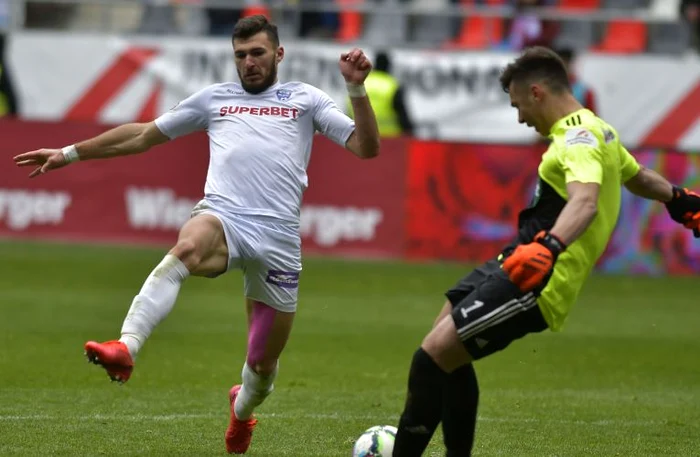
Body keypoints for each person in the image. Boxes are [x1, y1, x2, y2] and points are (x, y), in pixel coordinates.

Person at [13, 15, 379, 455]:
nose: (249, 63)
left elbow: (366, 147)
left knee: (262, 367)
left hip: (279, 239)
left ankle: (242, 410)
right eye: (241, 55)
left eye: (258, 53)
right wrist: (69, 153)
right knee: (186, 247)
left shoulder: (306, 99)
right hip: (225, 218)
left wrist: (356, 89)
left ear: (279, 54)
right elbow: (143, 136)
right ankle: (125, 347)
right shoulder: (215, 100)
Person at [391, 46, 700, 457]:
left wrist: (550, 248)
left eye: (518, 105)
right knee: (444, 338)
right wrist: (678, 198)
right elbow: (637, 174)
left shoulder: (578, 137)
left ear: (537, 92)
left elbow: (585, 202)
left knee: (430, 359)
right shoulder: (597, 130)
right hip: (517, 256)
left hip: (536, 276)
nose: (520, 117)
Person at [346, 50, 414, 137]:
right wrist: (410, 132)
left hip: (362, 137)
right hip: (389, 138)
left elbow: (349, 108)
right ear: (389, 67)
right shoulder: (392, 85)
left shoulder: (361, 83)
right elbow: (403, 115)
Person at [556, 48, 597, 113]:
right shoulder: (548, 88)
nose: (564, 66)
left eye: (566, 61)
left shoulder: (584, 91)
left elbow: (593, 118)